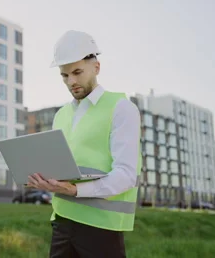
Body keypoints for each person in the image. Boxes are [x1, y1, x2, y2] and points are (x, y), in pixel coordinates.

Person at [27, 30, 142, 258]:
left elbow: (127, 174)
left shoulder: (120, 108)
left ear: (96, 67)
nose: (72, 82)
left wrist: (76, 190)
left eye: (77, 72)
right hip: (62, 223)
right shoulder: (61, 115)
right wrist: (43, 179)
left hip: (102, 228)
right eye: (65, 75)